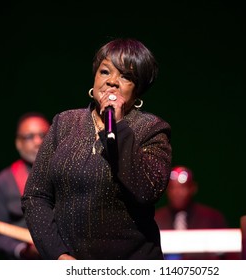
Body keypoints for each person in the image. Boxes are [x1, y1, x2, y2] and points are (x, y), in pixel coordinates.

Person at [21, 38, 172, 260]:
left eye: (126, 76)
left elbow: (146, 190)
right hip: (70, 267)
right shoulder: (64, 123)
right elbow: (35, 196)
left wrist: (119, 127)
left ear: (138, 90)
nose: (112, 82)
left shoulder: (151, 129)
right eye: (105, 72)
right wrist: (58, 255)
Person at [0, 112, 50, 259]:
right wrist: (22, 250)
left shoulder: (68, 173)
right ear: (18, 143)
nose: (37, 141)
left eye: (43, 135)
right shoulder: (3, 182)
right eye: (29, 137)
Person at [155, 165, 228, 259]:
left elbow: (225, 254)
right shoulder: (156, 219)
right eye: (172, 187)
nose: (177, 192)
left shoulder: (212, 218)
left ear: (193, 188)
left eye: (182, 187)